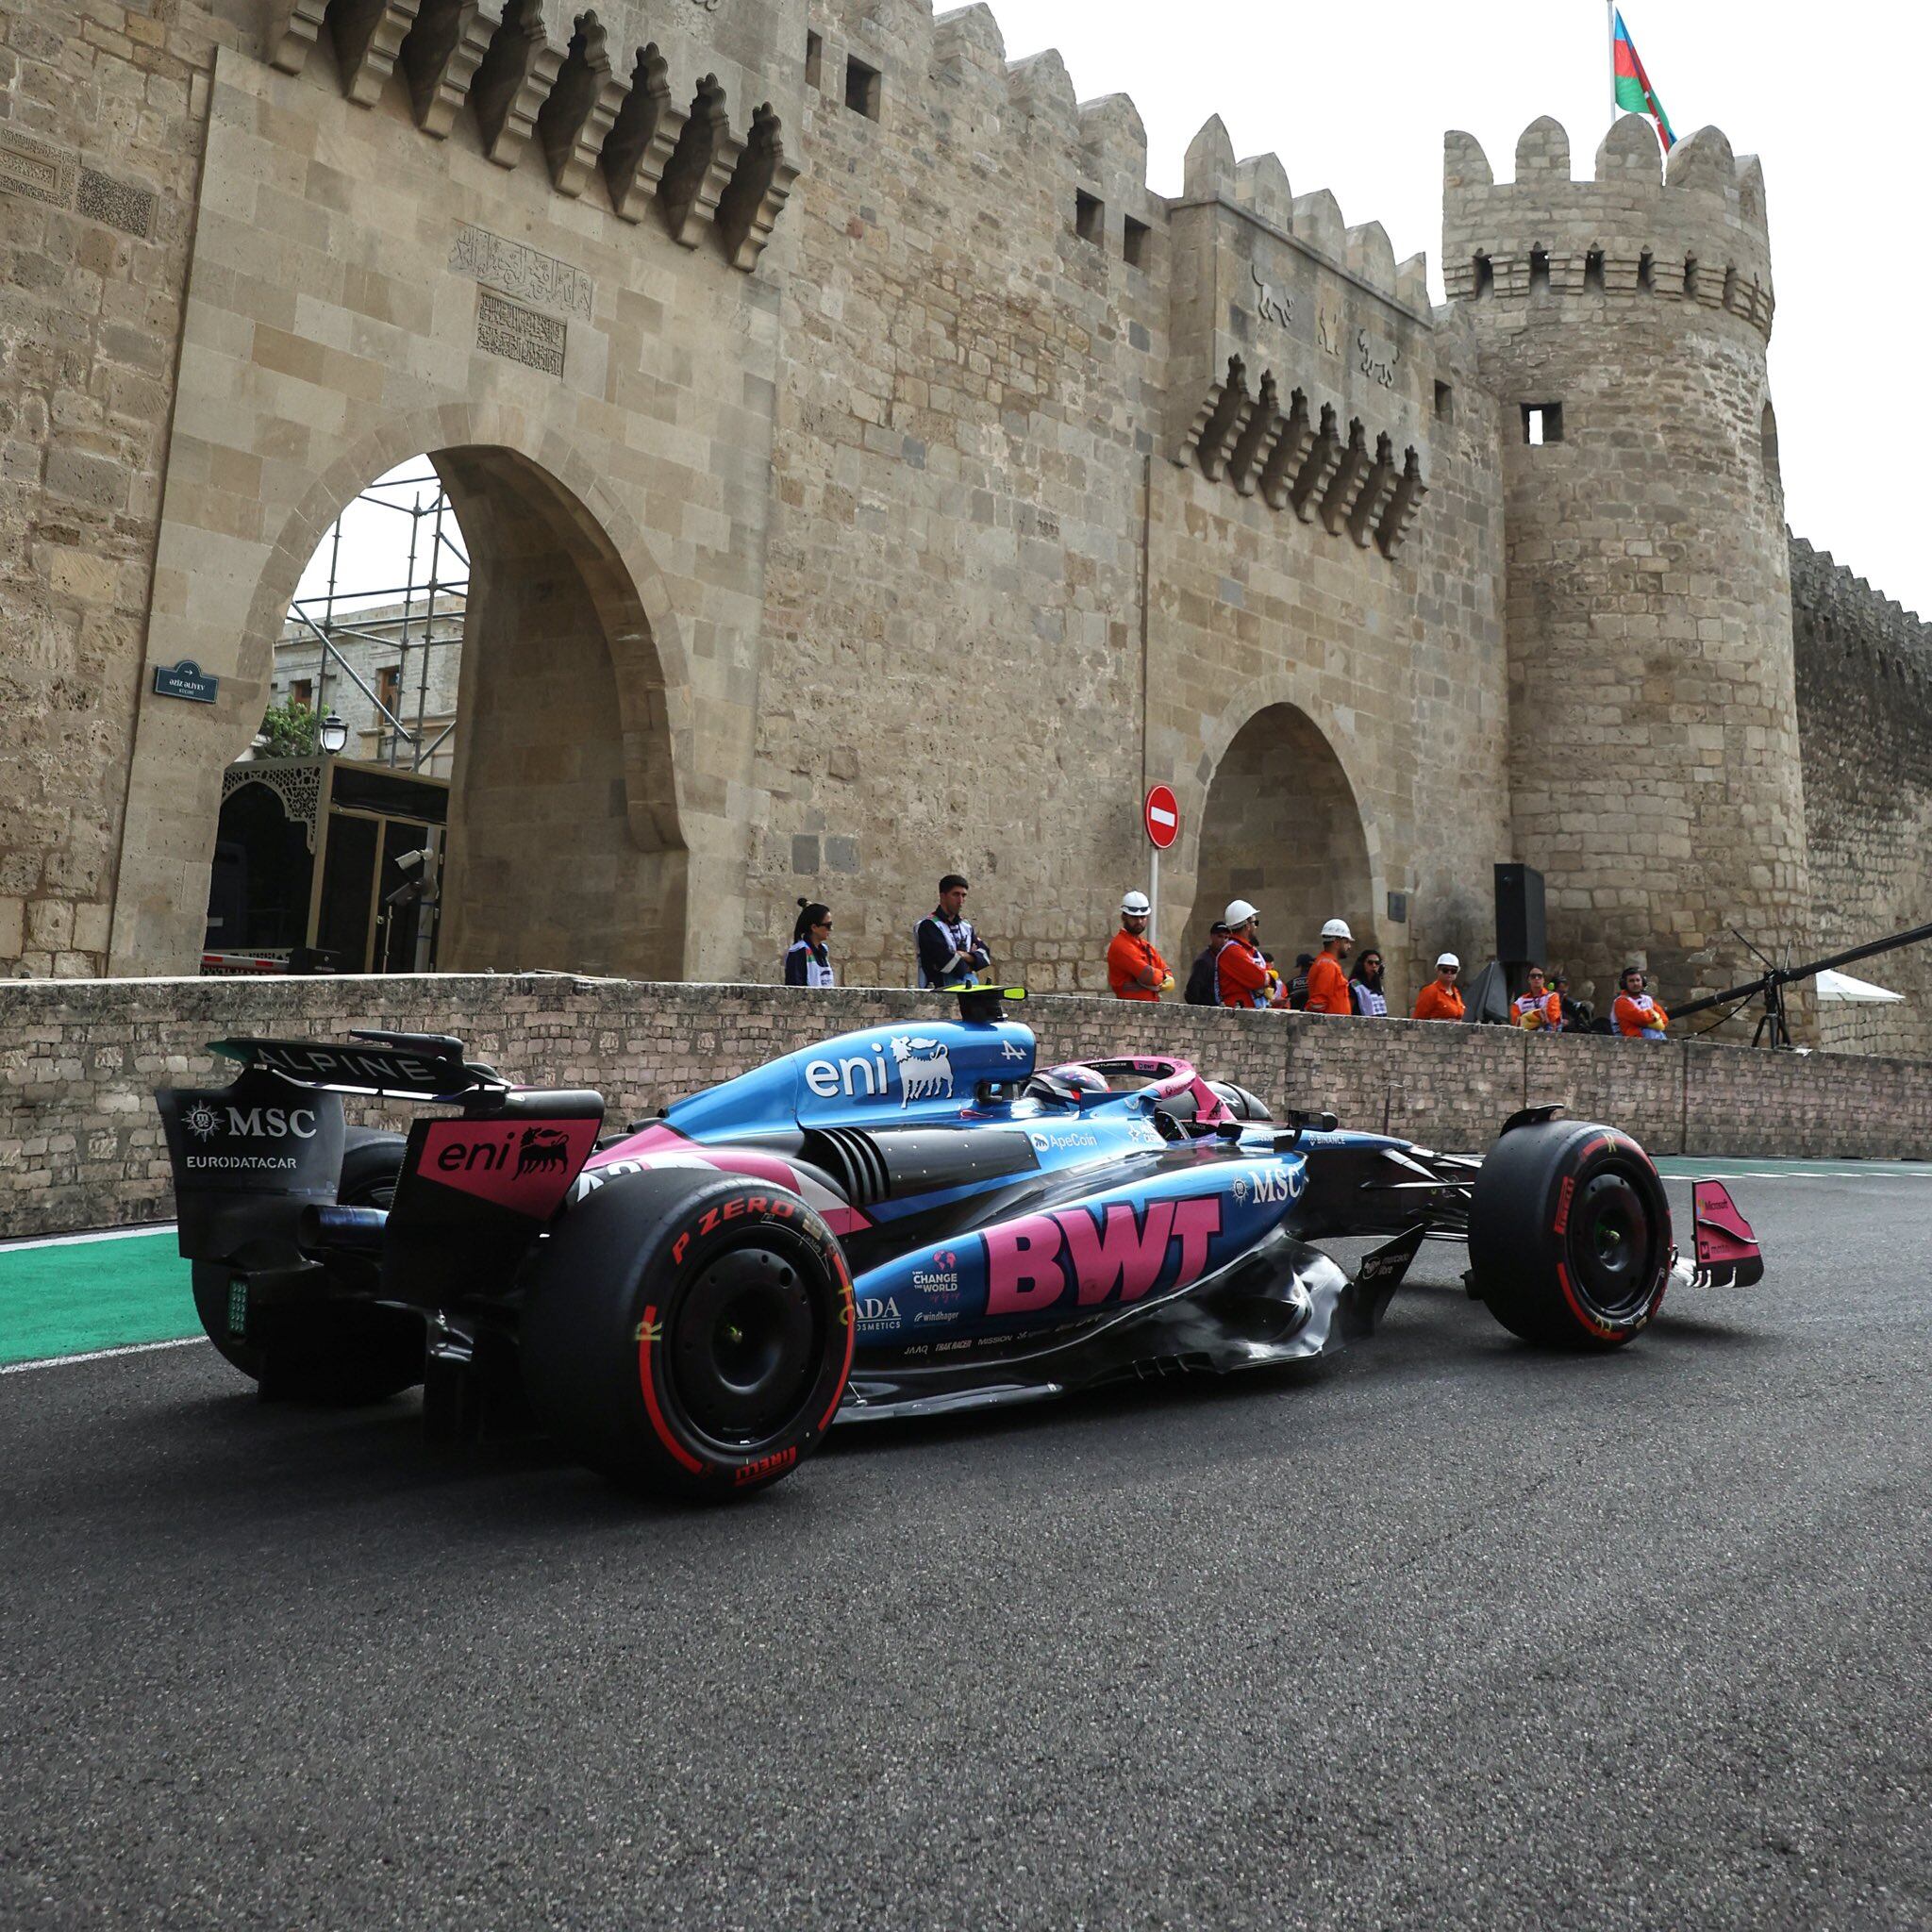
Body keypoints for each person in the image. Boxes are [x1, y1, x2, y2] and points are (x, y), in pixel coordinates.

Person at [916, 874, 991, 989]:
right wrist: (973, 961)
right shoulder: (928, 925)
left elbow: (985, 956)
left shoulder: (966, 926)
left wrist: (963, 955)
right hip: (939, 992)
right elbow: (946, 963)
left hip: (969, 990)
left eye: (963, 895)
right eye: (956, 895)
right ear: (943, 896)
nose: (961, 901)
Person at [1107, 890, 1174, 1001]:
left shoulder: (1145, 945)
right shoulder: (1121, 945)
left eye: (1143, 917)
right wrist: (1163, 977)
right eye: (1134, 917)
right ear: (1124, 917)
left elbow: (1167, 971)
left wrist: (1163, 976)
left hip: (1149, 1006)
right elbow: (1148, 976)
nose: (1139, 921)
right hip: (1130, 1007)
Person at [1214, 900, 1272, 1008]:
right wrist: (1269, 977)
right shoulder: (1232, 951)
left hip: (1251, 1009)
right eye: (1255, 923)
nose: (1256, 927)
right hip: (1239, 1013)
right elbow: (1259, 980)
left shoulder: (1246, 949)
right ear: (1247, 925)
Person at [1304, 917, 1355, 1016]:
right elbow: (1318, 1003)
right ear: (1336, 942)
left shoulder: (1325, 962)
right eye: (1346, 942)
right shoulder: (1328, 965)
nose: (1349, 946)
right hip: (1332, 1024)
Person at [784, 900, 836, 987]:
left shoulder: (823, 949)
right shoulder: (799, 951)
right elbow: (795, 987)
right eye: (828, 925)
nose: (831, 929)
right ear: (814, 927)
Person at [1613, 966, 1670, 1040]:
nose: (1635, 983)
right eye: (1631, 981)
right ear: (1624, 984)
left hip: (1650, 1035)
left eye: (1638, 980)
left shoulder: (1648, 999)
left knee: (1658, 1033)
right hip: (1630, 1039)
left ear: (1642, 982)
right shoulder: (1621, 1001)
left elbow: (1664, 1020)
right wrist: (1653, 1016)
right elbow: (1641, 1019)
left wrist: (1649, 1020)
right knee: (1651, 1032)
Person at [1183, 921, 1227, 1005]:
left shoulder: (1224, 960)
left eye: (1226, 938)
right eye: (1220, 936)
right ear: (1212, 936)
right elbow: (1192, 992)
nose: (1223, 941)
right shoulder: (1204, 961)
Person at [1412, 952, 1465, 1021]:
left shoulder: (1456, 992)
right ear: (1438, 970)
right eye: (1445, 970)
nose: (1449, 973)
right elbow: (1418, 1019)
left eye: (1453, 970)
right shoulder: (1429, 991)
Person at [1511, 964, 1563, 1031]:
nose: (1536, 978)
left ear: (1543, 979)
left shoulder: (1552, 996)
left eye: (1539, 976)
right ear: (1529, 980)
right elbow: (1516, 1023)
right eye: (1533, 976)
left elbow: (1553, 1019)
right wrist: (1539, 1015)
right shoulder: (1520, 1001)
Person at [1349, 948, 1389, 1017]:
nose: (1374, 965)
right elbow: (1349, 1008)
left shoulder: (1379, 986)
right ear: (1362, 964)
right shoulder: (1355, 984)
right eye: (1370, 962)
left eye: (1377, 963)